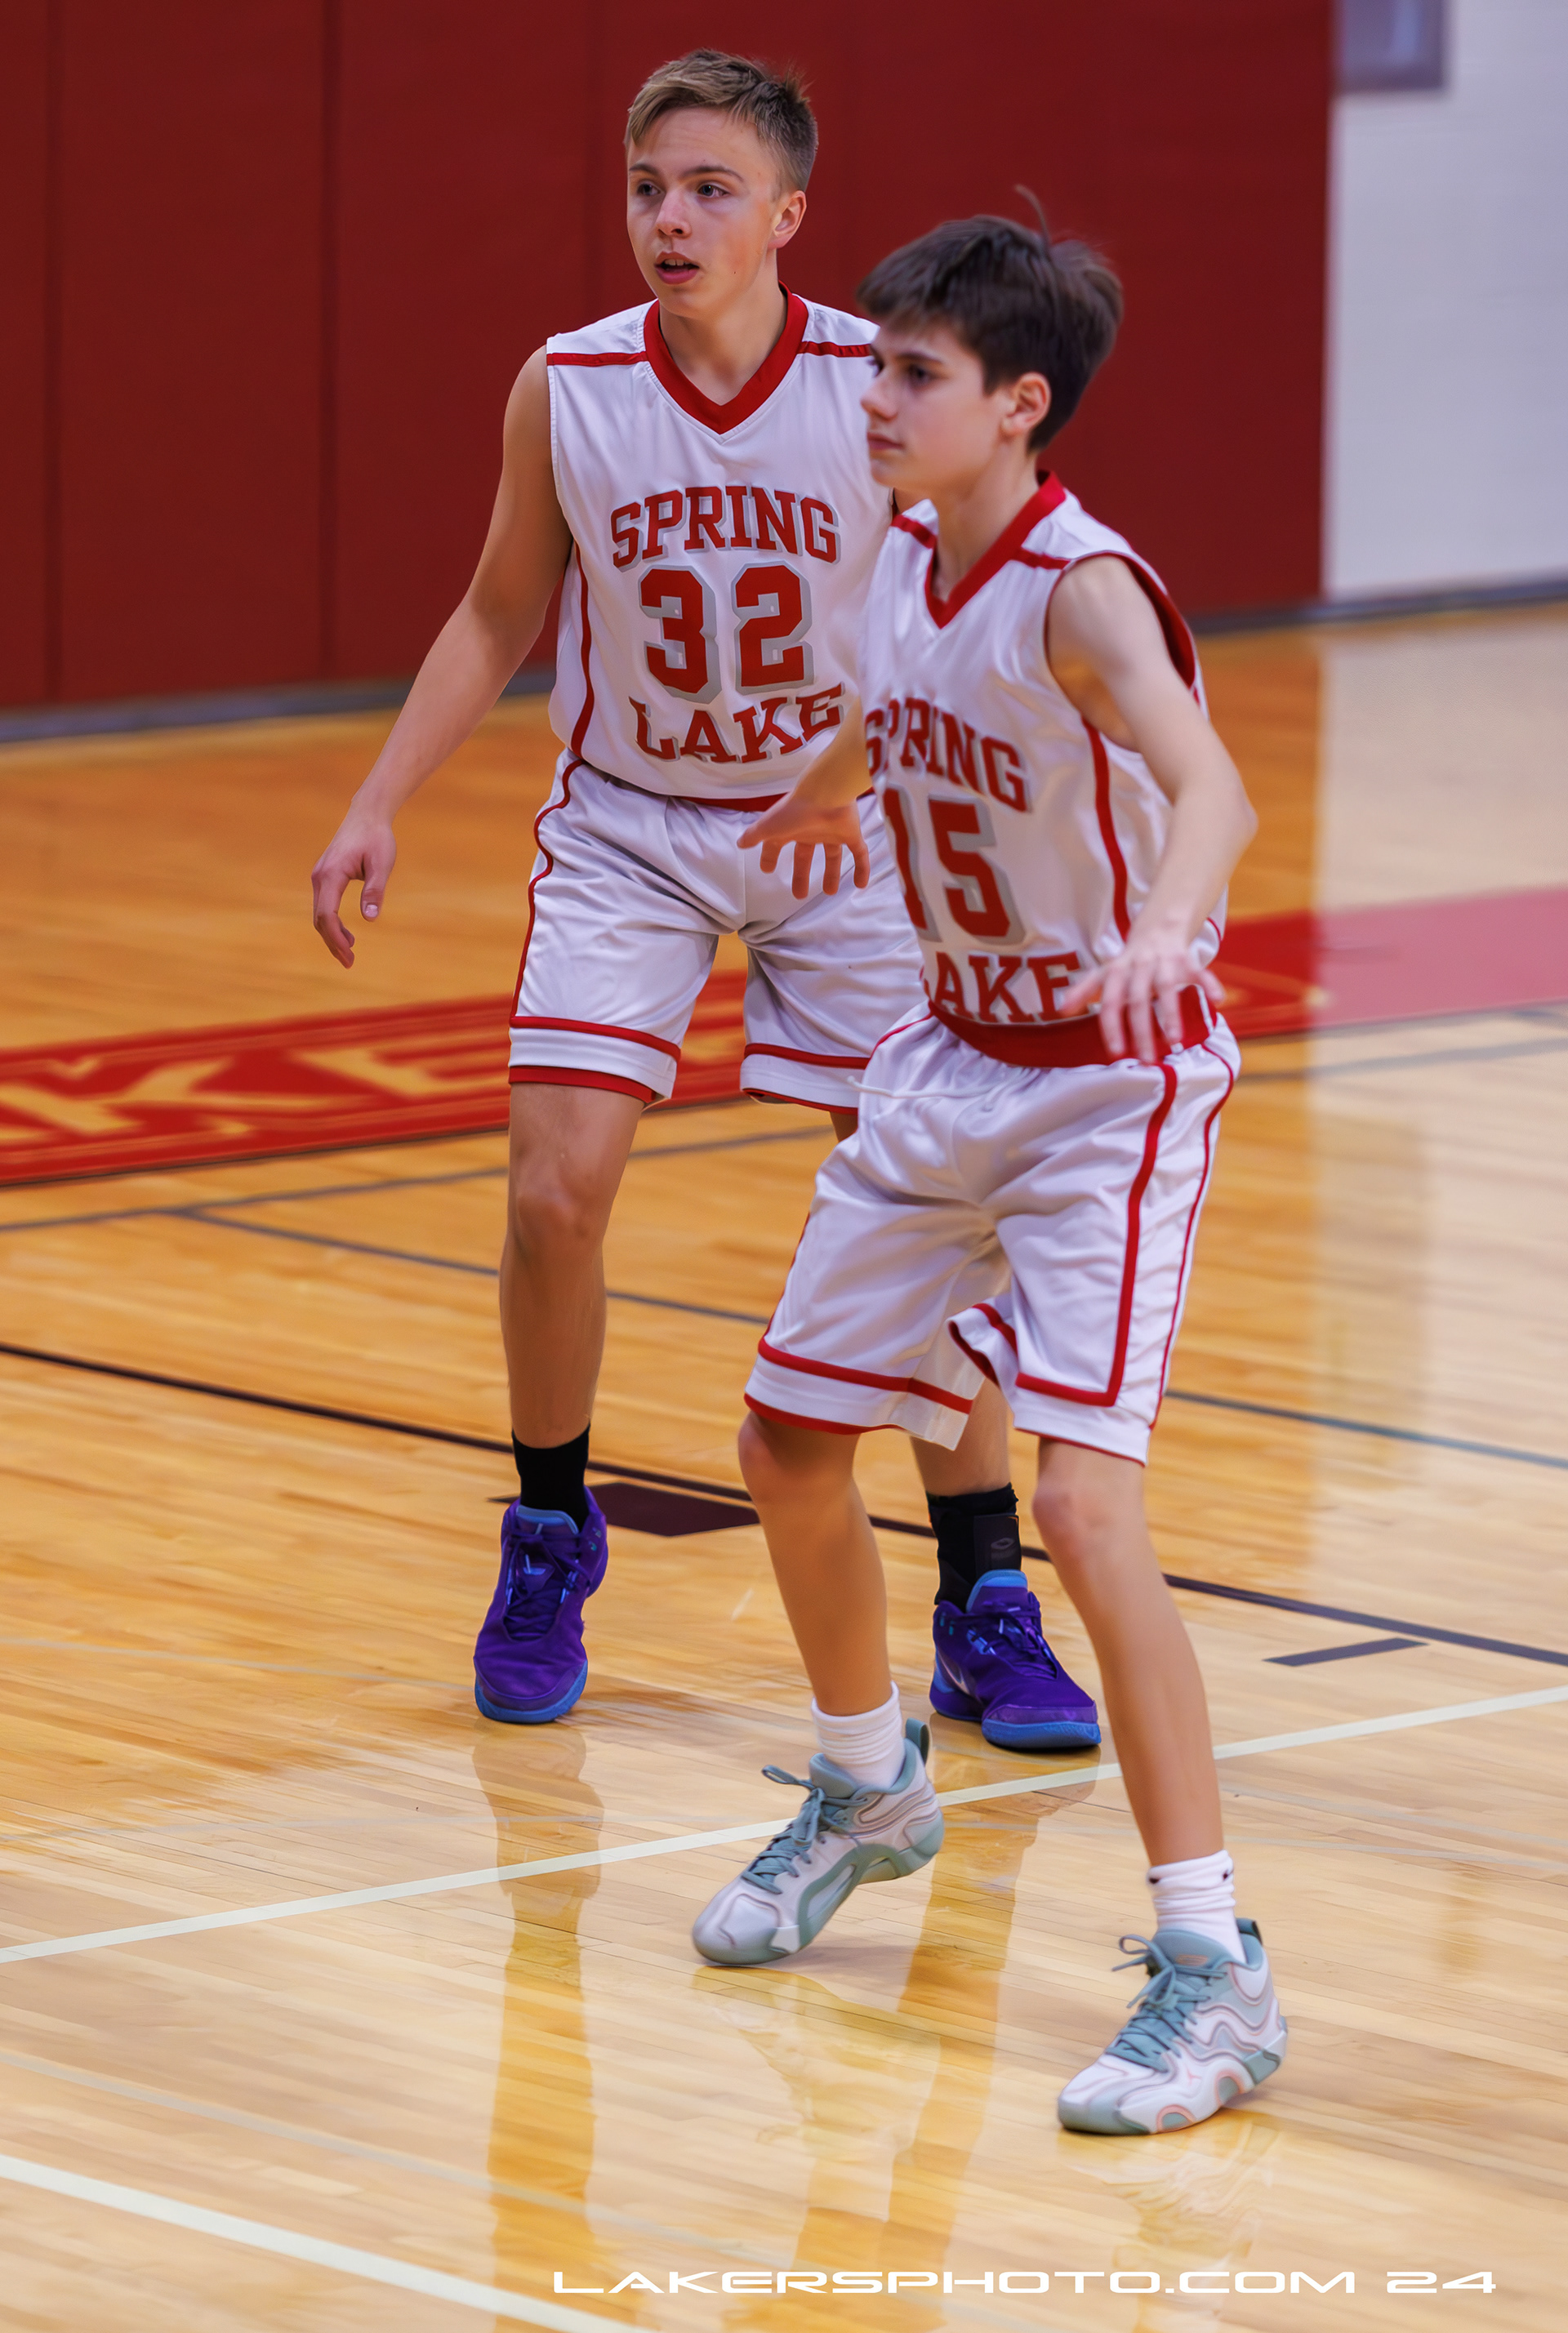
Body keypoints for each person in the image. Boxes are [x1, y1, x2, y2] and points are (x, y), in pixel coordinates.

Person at [309, 52, 1094, 1749]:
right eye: (648, 187)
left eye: (711, 190)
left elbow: (972, 596)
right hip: (634, 825)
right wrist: (377, 801)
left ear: (789, 214)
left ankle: (983, 1589)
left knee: (933, 1196)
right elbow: (498, 609)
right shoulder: (570, 386)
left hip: (842, 828)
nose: (671, 219)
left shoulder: (875, 388)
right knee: (554, 1193)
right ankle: (548, 1532)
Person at [692, 212, 1288, 2139]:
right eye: (875, 364)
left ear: (1019, 404)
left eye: (914, 373)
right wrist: (831, 778)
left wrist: (1170, 922)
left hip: (1107, 1087)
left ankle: (1213, 1964)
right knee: (789, 1439)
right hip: (949, 1059)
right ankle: (869, 1785)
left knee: (1086, 1510)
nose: (873, 397)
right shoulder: (901, 550)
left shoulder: (1083, 585)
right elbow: (901, 701)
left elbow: (1213, 783)